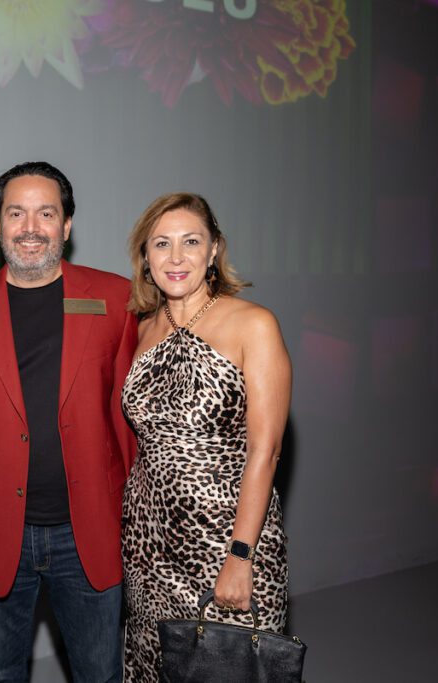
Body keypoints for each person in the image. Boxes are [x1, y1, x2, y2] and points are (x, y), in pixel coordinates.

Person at [0, 161, 138, 682]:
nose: (30, 227)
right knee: (0, 675)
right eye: (15, 213)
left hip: (90, 526)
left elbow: (132, 420)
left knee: (101, 673)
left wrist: (137, 520)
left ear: (67, 225)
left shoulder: (116, 299)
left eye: (46, 213)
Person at [120, 192, 291, 681]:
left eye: (190, 242)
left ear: (214, 249)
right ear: (145, 258)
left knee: (228, 670)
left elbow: (267, 450)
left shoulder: (253, 324)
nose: (176, 258)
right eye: (161, 244)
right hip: (148, 544)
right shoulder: (142, 329)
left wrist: (241, 555)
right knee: (154, 668)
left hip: (226, 539)